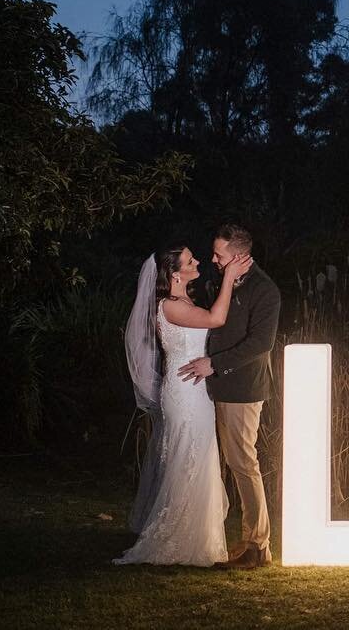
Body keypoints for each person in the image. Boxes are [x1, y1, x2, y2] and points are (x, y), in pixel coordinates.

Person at [115, 245, 252, 566]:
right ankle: (177, 536)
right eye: (191, 261)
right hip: (185, 392)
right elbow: (217, 318)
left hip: (194, 390)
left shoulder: (183, 302)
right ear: (175, 274)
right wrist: (229, 276)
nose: (198, 261)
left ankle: (200, 535)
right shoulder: (170, 306)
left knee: (198, 456)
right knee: (187, 458)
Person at [177, 223, 281, 570]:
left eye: (219, 254)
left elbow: (260, 344)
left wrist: (215, 364)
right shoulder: (221, 282)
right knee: (235, 463)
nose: (213, 259)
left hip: (242, 388)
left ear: (237, 256)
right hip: (221, 386)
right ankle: (249, 540)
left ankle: (258, 545)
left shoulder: (264, 290)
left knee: (242, 462)